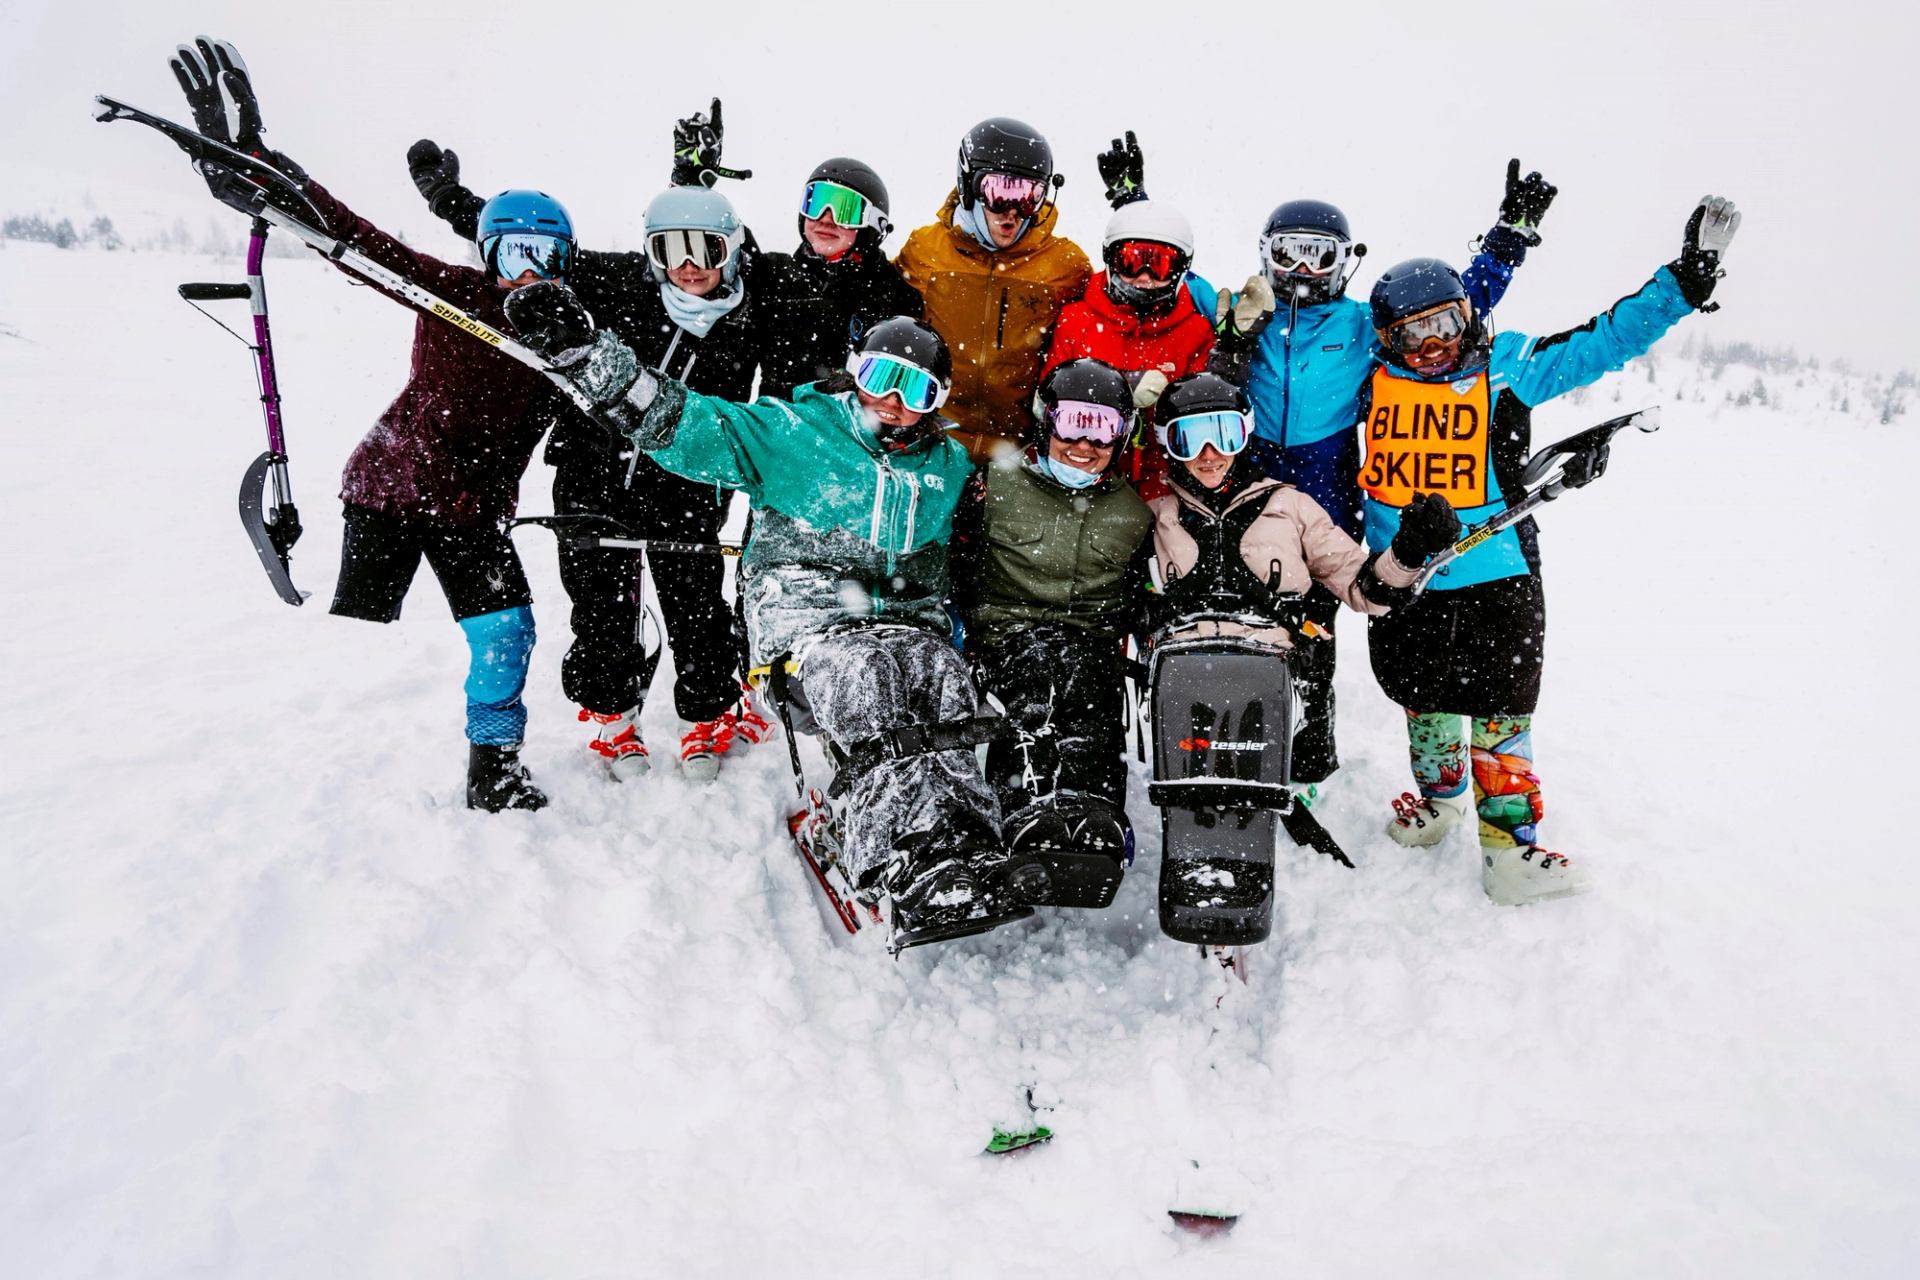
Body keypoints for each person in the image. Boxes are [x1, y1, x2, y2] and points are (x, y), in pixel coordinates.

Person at [504, 294, 1035, 948]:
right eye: (878, 379)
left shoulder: (949, 467)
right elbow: (687, 423)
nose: (892, 402)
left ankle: (965, 835)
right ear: (854, 372)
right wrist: (594, 360)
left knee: (942, 678)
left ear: (938, 398)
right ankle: (892, 849)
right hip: (806, 624)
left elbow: (981, 543)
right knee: (863, 676)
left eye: (915, 389)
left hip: (908, 627)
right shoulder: (796, 433)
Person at [169, 37, 563, 812]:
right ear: (487, 252)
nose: (529, 270)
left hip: (475, 512)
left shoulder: (575, 334)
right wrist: (257, 163)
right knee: (346, 627)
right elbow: (353, 239)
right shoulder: (450, 291)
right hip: (391, 485)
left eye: (547, 256)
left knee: (507, 633)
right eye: (513, 251)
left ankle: (494, 766)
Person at [1360, 196, 1741, 906]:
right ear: (1385, 339)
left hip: (1494, 574)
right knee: (1423, 701)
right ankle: (1438, 803)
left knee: (1502, 709)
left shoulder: (1507, 368)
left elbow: (1601, 341)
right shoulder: (1370, 381)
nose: (1432, 346)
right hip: (1403, 575)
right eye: (1411, 336)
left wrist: (1680, 286)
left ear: (1466, 317)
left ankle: (1510, 852)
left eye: (1444, 325)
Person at [1188, 161, 1556, 804]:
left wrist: (1509, 237)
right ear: (1266, 256)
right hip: (1249, 488)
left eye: (1318, 256)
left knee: (1312, 634)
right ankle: (1228, 744)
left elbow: (1454, 305)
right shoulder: (1246, 314)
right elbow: (1157, 281)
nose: (1303, 271)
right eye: (1289, 255)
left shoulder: (1362, 325)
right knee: (1241, 620)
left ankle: (1308, 759)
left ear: (1342, 262)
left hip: (1327, 493)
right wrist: (1132, 207)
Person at [408, 140, 775, 781]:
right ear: (650, 252)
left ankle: (708, 714)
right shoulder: (616, 284)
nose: (687, 268)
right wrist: (448, 201)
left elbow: (828, 275)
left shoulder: (751, 312)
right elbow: (527, 245)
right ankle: (613, 720)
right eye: (669, 251)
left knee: (697, 607)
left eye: (705, 252)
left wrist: (691, 181)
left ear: (732, 251)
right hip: (591, 475)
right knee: (599, 606)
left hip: (688, 486)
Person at [949, 359, 1156, 907]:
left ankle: (1095, 814)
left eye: (1103, 430)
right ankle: (1025, 809)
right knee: (1040, 676)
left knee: (1091, 690)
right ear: (1047, 424)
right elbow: (954, 561)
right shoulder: (994, 484)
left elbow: (1141, 594)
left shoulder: (1132, 513)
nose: (1084, 446)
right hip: (1006, 636)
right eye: (1072, 426)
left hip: (1090, 642)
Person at [1146, 373, 1452, 648]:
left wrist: (1407, 553)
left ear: (1245, 435)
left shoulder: (1289, 506)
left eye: (1225, 436)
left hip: (1272, 673)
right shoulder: (1157, 518)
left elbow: (1366, 590)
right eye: (1189, 441)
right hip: (1181, 678)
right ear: (1165, 443)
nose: (1210, 453)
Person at [896, 118, 1091, 461]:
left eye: (1030, 196)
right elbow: (879, 305)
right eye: (1000, 193)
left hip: (1018, 452)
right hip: (935, 440)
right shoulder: (926, 249)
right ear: (969, 185)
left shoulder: (1064, 265)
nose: (1013, 211)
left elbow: (1121, 301)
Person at [1042, 196, 1215, 500]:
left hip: (1159, 486)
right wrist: (1123, 386)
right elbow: (1048, 398)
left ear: (1181, 268)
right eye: (1132, 262)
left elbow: (1200, 410)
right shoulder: (1077, 320)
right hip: (1081, 476)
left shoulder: (1194, 332)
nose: (1145, 277)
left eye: (1160, 264)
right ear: (1111, 260)